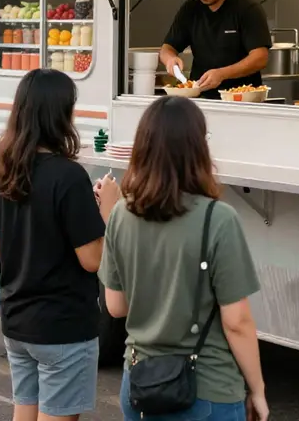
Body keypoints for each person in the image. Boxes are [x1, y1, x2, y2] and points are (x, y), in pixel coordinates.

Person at [99, 96, 268, 421]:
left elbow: (116, 306)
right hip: (207, 390)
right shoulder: (219, 219)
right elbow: (237, 322)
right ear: (199, 149)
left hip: (140, 383)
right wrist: (257, 389)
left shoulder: (120, 213)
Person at [0, 68, 120, 421]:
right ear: (59, 114)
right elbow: (93, 259)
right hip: (62, 324)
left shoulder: (1, 172)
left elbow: (1, 248)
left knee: (24, 410)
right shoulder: (69, 176)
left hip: (17, 318)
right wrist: (109, 212)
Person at [160, 0, 272, 99]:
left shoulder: (247, 9)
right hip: (201, 98)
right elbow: (167, 48)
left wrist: (222, 74)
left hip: (242, 99)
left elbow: (260, 58)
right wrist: (170, 60)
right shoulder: (190, 9)